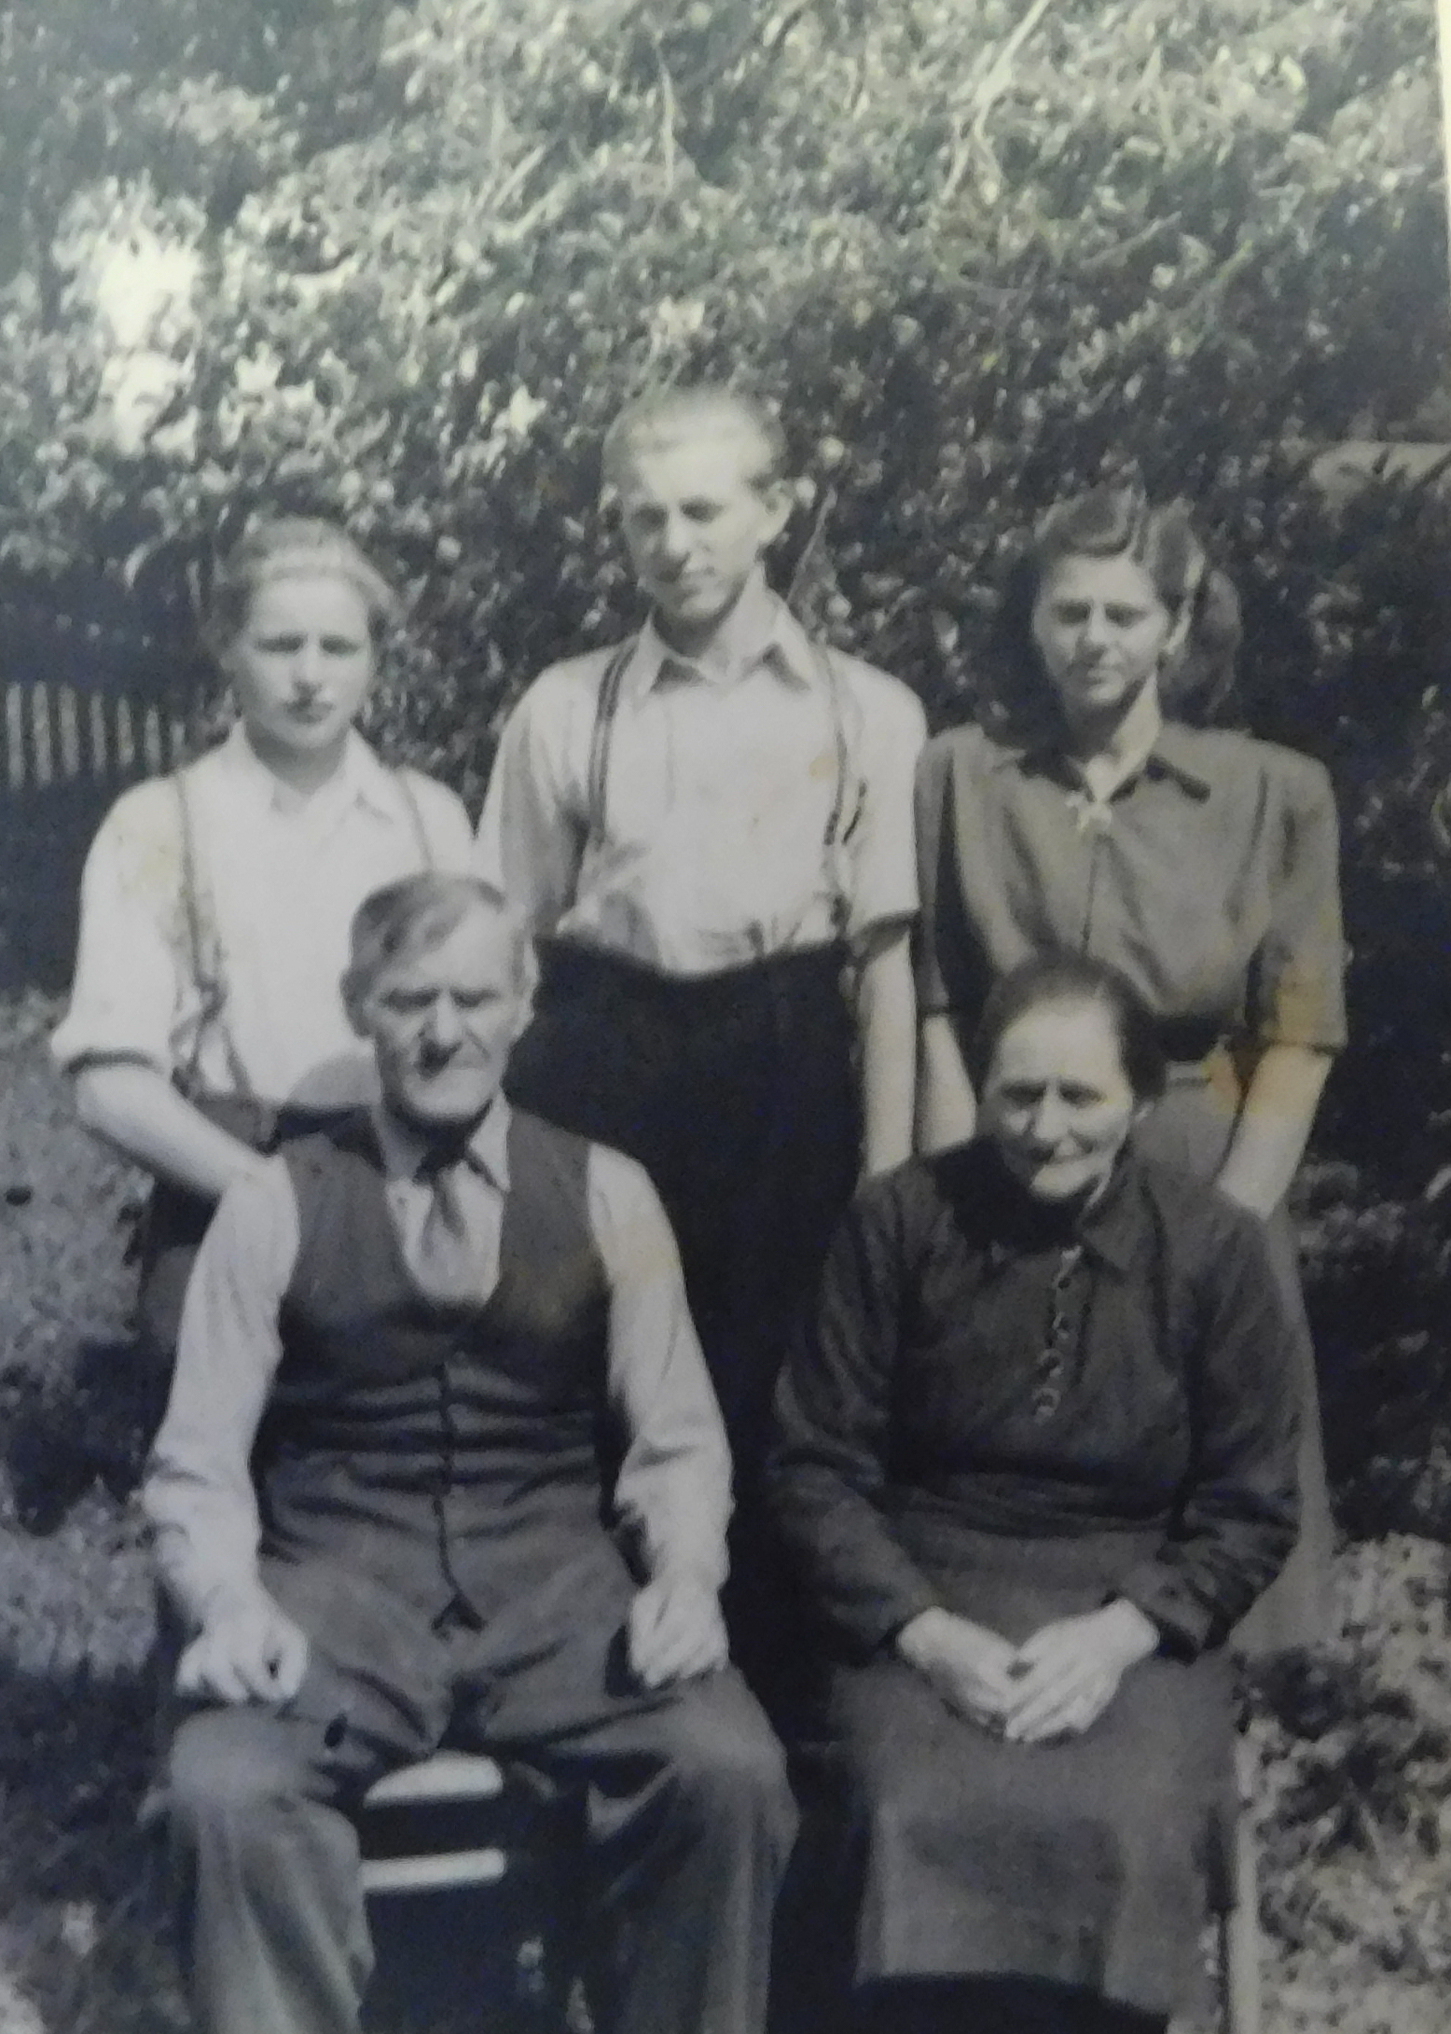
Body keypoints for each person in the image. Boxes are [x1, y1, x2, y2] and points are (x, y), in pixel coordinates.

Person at [141, 871, 797, 2034]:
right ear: (359, 1011)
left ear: (523, 1007)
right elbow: (196, 1463)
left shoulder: (610, 1191)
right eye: (408, 1001)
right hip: (337, 1582)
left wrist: (686, 1574)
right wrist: (228, 1602)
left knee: (725, 1767)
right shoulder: (272, 1201)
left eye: (472, 997)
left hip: (553, 1579)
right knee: (223, 1788)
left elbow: (676, 1437)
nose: (442, 1031)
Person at [768, 956, 1300, 2034]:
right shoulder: (897, 1224)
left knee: (1134, 1804)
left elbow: (1250, 1506)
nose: (1043, 1127)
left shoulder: (1214, 1251)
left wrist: (1122, 1635)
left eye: (1078, 1096)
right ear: (982, 1092)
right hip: (928, 1578)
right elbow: (813, 1467)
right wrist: (920, 1631)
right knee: (894, 1789)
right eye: (1017, 1094)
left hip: (1128, 1601)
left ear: (1138, 1101)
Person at [477, 384, 925, 1702]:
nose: (672, 545)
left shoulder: (864, 710)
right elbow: (506, 946)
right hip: (603, 1049)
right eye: (642, 519)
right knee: (589, 1361)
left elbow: (884, 967)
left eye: (703, 511)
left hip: (782, 1062)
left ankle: (772, 1705)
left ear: (774, 512)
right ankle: (591, 1686)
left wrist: (884, 1183)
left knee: (772, 1374)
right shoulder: (567, 709)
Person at [911, 479, 1345, 1653]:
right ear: (1030, 621)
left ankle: (1193, 1742)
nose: (1093, 640)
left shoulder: (1273, 793)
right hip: (1014, 1157)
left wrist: (1222, 1236)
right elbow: (939, 1008)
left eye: (1123, 614)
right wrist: (951, 1212)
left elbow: (1297, 1036)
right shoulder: (958, 777)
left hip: (1197, 1160)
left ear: (1175, 624)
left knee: (1198, 1488)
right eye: (1068, 613)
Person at [52, 515, 474, 1358]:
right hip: (226, 1185)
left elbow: (483, 1034)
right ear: (226, 647)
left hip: (409, 1183)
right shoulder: (160, 825)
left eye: (338, 647)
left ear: (374, 658)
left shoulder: (429, 820)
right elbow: (108, 1085)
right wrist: (272, 1201)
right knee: (228, 1419)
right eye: (281, 646)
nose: (311, 677)